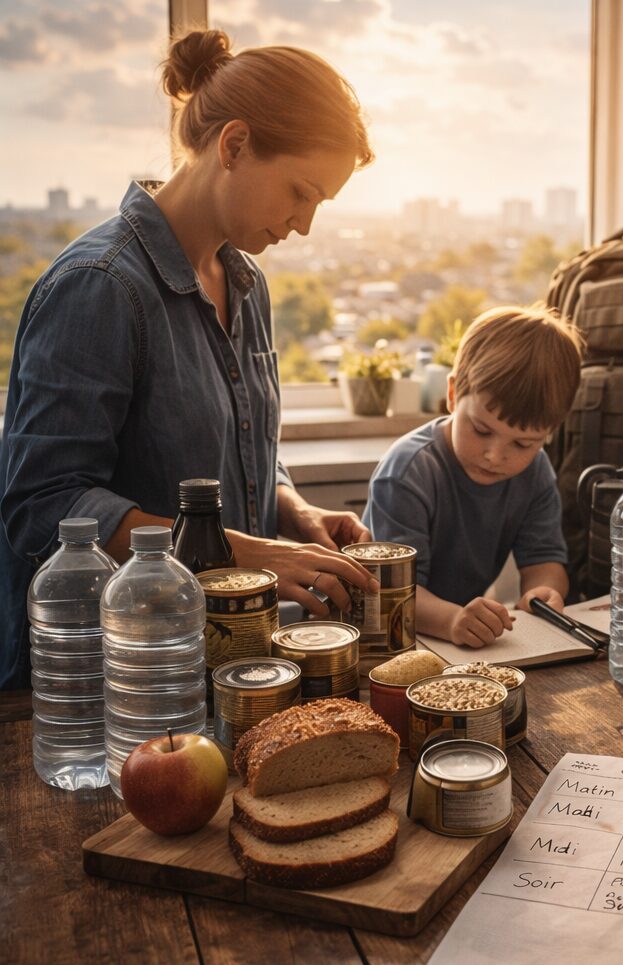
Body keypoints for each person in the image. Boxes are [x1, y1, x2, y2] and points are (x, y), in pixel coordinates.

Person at [0, 29, 381, 690]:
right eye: (301, 192)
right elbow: (42, 502)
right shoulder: (101, 285)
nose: (304, 224)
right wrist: (246, 551)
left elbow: (238, 441)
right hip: (118, 686)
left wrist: (295, 512)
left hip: (224, 666)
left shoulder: (245, 282)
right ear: (234, 145)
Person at [364, 306, 584, 648]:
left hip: (446, 641)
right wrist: (452, 620)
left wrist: (543, 593)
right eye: (481, 430)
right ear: (453, 395)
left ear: (549, 432)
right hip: (375, 636)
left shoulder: (536, 470)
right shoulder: (408, 472)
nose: (495, 455)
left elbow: (544, 560)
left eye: (523, 443)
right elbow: (394, 594)